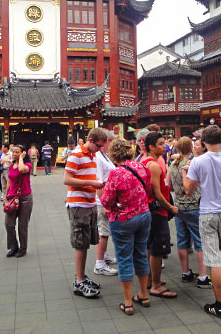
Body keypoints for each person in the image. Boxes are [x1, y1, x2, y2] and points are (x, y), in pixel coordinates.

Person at [183, 125, 221, 319]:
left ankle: (219, 304)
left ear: (204, 142)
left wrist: (186, 173)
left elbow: (189, 190)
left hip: (207, 212)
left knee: (214, 260)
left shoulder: (197, 162)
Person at [101, 139, 151, 316]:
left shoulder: (115, 173)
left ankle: (128, 302)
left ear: (114, 155)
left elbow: (106, 200)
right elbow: (148, 189)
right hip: (144, 214)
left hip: (124, 218)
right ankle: (143, 295)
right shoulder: (142, 167)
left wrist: (115, 205)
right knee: (141, 253)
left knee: (124, 258)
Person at [63, 127, 107, 298]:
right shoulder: (76, 154)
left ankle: (81, 276)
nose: (100, 149)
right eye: (98, 145)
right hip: (78, 204)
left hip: (89, 203)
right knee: (80, 243)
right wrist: (92, 183)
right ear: (90, 140)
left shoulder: (92, 155)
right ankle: (79, 280)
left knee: (86, 242)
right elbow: (66, 179)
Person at [168, 137, 210, 287]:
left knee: (182, 240)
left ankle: (186, 272)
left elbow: (170, 186)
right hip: (195, 205)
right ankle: (203, 276)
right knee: (199, 240)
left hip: (179, 206)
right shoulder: (192, 163)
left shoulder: (173, 164)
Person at [141, 132, 178, 299]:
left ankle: (150, 280)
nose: (165, 146)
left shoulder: (145, 161)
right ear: (151, 147)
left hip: (150, 211)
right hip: (157, 211)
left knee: (150, 246)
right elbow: (157, 193)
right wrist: (171, 207)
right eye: (161, 144)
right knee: (157, 249)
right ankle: (155, 285)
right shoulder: (154, 165)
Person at [94, 130, 118, 276]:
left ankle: (104, 255)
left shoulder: (105, 156)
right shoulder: (98, 158)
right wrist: (104, 204)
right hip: (101, 199)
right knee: (103, 232)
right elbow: (99, 182)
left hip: (107, 198)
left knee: (105, 231)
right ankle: (99, 263)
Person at [4, 145, 33, 258]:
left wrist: (21, 158)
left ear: (22, 153)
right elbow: (9, 182)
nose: (15, 154)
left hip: (25, 198)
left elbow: (21, 170)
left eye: (17, 152)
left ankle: (23, 248)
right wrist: (6, 196)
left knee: (22, 225)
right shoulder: (11, 166)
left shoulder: (27, 165)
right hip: (12, 197)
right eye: (13, 152)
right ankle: (13, 246)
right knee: (8, 224)